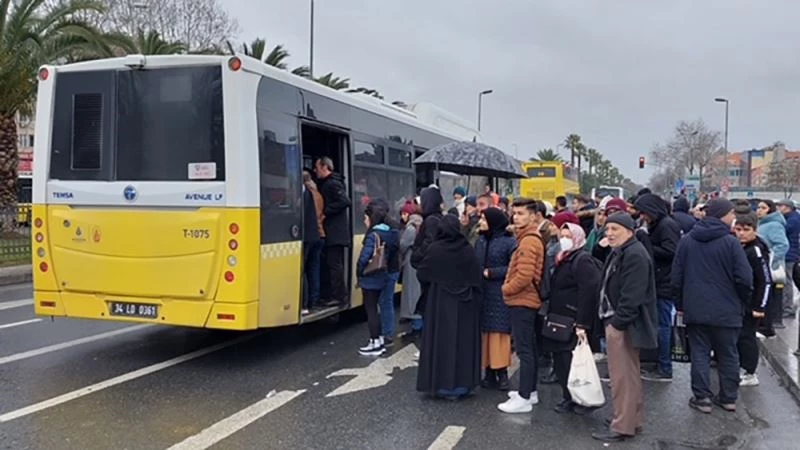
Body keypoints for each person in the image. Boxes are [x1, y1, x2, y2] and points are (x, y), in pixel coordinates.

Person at [672, 198, 753, 414]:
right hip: (728, 310)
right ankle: (728, 398)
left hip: (695, 308)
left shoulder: (688, 240)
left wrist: (681, 304)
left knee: (699, 352)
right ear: (722, 215)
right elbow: (745, 278)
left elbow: (676, 278)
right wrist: (742, 300)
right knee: (728, 353)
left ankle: (702, 398)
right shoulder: (732, 243)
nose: (733, 217)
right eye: (730, 214)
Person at [593, 212, 658, 443]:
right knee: (628, 375)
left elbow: (632, 296)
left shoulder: (634, 255)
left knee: (622, 377)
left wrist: (617, 324)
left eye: (615, 229)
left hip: (625, 325)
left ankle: (622, 425)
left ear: (630, 231)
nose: (609, 234)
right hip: (621, 322)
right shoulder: (622, 252)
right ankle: (631, 419)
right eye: (607, 229)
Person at [416, 214, 483, 399]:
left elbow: (422, 273)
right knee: (463, 343)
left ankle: (441, 385)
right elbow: (476, 276)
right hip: (465, 304)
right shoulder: (466, 249)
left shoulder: (435, 249)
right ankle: (462, 386)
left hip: (440, 303)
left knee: (441, 342)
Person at [543, 222, 601, 414]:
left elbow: (588, 291)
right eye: (562, 236)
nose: (564, 240)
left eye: (568, 236)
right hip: (559, 318)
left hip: (573, 318)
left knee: (575, 362)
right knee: (561, 361)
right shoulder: (564, 258)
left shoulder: (582, 260)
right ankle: (568, 397)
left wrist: (582, 322)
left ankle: (583, 400)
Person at [498, 198, 545, 413]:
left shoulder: (529, 241)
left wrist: (506, 288)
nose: (516, 217)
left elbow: (524, 276)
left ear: (533, 216)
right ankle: (530, 391)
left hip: (523, 301)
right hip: (526, 300)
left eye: (521, 213)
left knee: (525, 351)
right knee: (530, 349)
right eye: (514, 213)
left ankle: (525, 397)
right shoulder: (528, 238)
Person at [634, 194, 681, 382]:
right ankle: (659, 362)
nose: (642, 216)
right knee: (659, 325)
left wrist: (646, 243)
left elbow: (672, 251)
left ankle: (665, 367)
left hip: (664, 282)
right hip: (659, 280)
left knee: (663, 326)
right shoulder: (658, 224)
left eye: (644, 212)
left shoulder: (667, 225)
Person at [475, 208, 517, 391]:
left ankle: (501, 373)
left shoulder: (509, 242)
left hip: (500, 293)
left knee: (499, 334)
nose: (481, 222)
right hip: (483, 293)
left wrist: (491, 273)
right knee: (485, 334)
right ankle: (489, 371)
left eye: (484, 219)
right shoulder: (481, 241)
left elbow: (513, 267)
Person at [356, 200, 400, 356]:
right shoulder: (391, 232)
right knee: (382, 304)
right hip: (383, 275)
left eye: (366, 218)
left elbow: (364, 258)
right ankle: (381, 339)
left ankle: (375, 342)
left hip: (371, 278)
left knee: (372, 310)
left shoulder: (374, 234)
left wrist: (359, 271)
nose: (364, 221)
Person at [733, 213, 772, 387]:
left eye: (746, 230)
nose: (741, 233)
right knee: (741, 336)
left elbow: (765, 280)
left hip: (752, 303)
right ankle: (743, 367)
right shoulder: (742, 247)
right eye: (738, 229)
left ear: (754, 231)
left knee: (747, 337)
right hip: (741, 301)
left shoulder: (755, 250)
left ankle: (750, 372)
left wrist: (760, 306)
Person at [315, 157, 352, 308]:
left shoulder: (332, 183)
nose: (315, 170)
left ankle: (339, 296)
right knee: (332, 264)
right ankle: (333, 294)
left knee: (334, 265)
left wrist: (326, 212)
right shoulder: (329, 183)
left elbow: (345, 201)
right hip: (334, 231)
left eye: (317, 167)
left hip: (335, 232)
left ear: (324, 167)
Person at [411, 187, 446, 317]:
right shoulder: (437, 218)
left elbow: (429, 242)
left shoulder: (431, 220)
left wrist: (416, 255)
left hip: (430, 269)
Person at [756, 199, 789, 329]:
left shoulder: (774, 225)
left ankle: (768, 325)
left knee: (769, 296)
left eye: (763, 208)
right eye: (758, 207)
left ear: (770, 209)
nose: (759, 210)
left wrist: (771, 259)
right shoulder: (762, 223)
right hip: (763, 265)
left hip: (769, 266)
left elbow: (782, 244)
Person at [399, 201, 424, 336]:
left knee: (411, 294)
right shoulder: (423, 224)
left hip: (411, 262)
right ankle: (420, 324)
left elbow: (402, 245)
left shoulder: (410, 228)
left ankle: (416, 326)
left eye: (404, 213)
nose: (403, 216)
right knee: (418, 293)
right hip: (421, 262)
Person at [302, 171, 324, 314]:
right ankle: (314, 300)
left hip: (309, 235)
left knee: (302, 270)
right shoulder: (318, 194)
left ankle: (305, 303)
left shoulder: (305, 195)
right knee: (314, 268)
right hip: (319, 234)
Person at [777, 199, 799, 317]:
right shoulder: (793, 218)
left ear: (788, 208)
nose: (779, 208)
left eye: (781, 206)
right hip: (792, 253)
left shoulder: (792, 220)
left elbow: (783, 231)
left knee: (786, 281)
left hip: (789, 254)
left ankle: (787, 307)